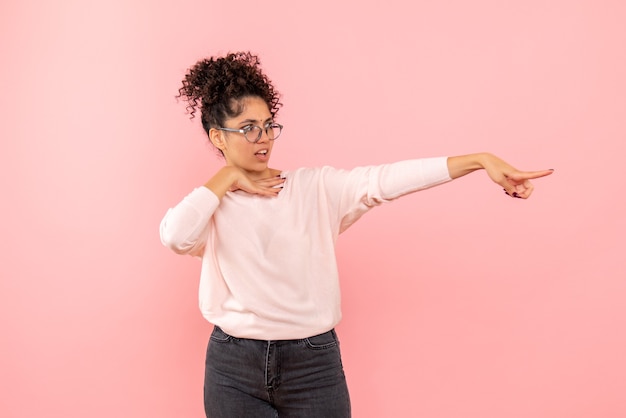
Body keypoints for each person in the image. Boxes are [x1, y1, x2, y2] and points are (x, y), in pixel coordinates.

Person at [159, 51, 553, 418]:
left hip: (312, 363)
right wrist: (226, 177)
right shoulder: (210, 204)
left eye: (268, 125)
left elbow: (385, 180)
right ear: (217, 137)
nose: (263, 137)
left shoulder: (315, 189)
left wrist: (479, 160)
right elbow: (175, 236)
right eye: (248, 128)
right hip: (233, 366)